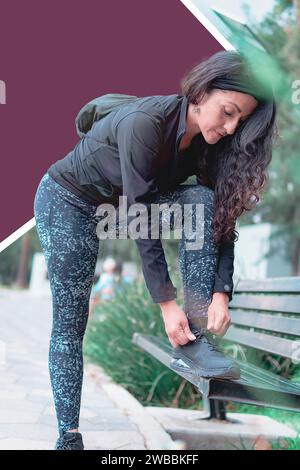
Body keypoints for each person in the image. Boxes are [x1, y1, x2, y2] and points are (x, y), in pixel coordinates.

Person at [33, 50, 277, 450]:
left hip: (120, 208)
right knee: (70, 323)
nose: (232, 128)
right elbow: (139, 217)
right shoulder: (145, 124)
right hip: (69, 202)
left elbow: (222, 217)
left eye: (241, 121)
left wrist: (220, 292)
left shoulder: (208, 144)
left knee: (201, 199)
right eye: (228, 112)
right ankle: (68, 437)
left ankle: (193, 344)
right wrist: (166, 303)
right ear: (201, 92)